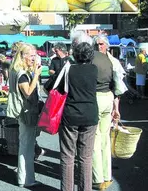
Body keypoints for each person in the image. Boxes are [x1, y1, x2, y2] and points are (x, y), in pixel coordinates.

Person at [71, 31, 115, 190]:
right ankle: (107, 175)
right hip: (108, 98)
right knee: (105, 139)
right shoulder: (109, 59)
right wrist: (116, 104)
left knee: (95, 140)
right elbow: (118, 83)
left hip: (96, 98)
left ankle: (97, 178)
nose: (98, 46)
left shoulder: (91, 59)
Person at [59, 42, 98, 191]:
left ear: (75, 54)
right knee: (86, 157)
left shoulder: (68, 70)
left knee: (67, 157)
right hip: (90, 115)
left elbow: (50, 86)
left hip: (70, 115)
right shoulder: (94, 69)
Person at [6, 44, 42, 188]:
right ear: (23, 56)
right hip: (26, 112)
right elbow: (27, 93)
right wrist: (37, 76)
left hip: (24, 112)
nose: (34, 58)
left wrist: (33, 72)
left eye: (34, 55)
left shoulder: (16, 70)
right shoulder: (21, 73)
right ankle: (26, 179)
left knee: (26, 145)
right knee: (27, 146)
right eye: (31, 55)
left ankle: (25, 177)